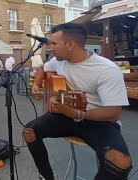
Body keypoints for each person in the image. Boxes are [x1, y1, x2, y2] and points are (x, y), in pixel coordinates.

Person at [23, 23, 132, 180]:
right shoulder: (59, 61)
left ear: (70, 44)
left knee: (121, 162)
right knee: (29, 132)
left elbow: (113, 113)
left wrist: (77, 113)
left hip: (99, 121)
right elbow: (43, 68)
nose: (49, 47)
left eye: (54, 43)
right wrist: (36, 83)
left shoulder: (107, 69)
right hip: (67, 116)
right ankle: (47, 176)